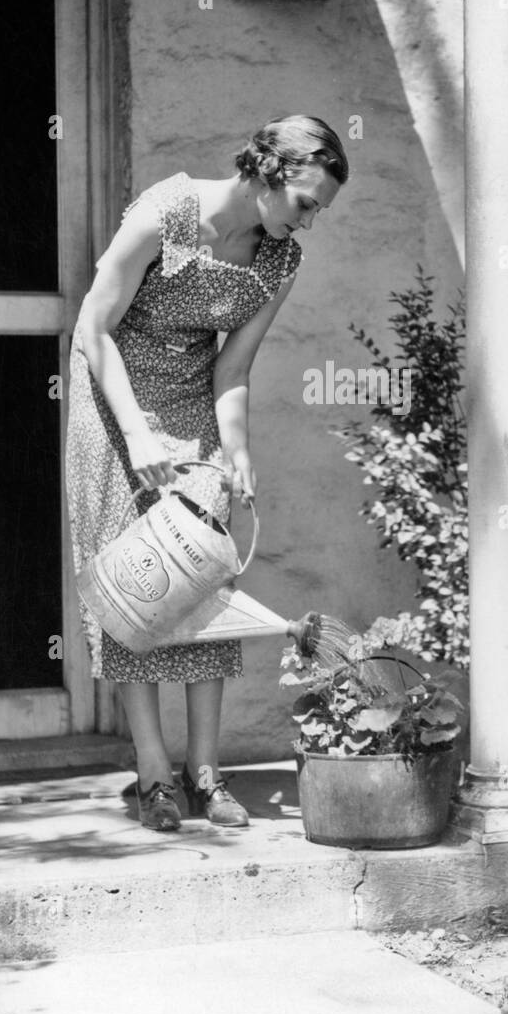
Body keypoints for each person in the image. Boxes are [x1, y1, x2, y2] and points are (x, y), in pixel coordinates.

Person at [66, 116, 349, 831]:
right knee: (144, 583)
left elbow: (232, 367)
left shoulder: (280, 261)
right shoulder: (167, 211)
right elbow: (93, 327)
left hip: (192, 399)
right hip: (114, 396)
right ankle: (154, 776)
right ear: (267, 174)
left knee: (205, 579)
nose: (309, 221)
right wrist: (135, 435)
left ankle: (206, 773)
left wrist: (237, 452)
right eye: (305, 204)